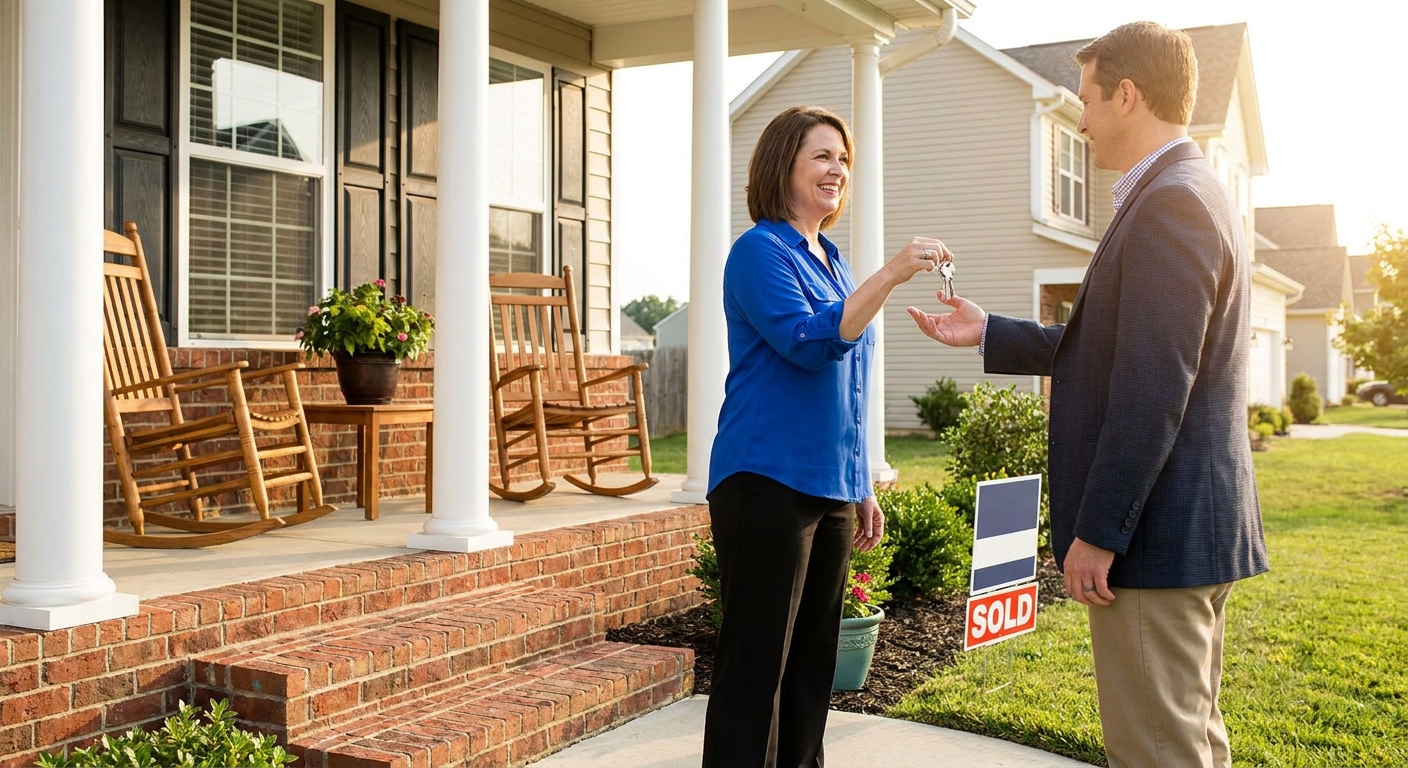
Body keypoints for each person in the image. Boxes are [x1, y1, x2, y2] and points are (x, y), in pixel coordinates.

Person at [906, 22, 1267, 768]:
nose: (1081, 117)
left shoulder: (1171, 204)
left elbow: (1153, 385)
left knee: (1157, 750)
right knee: (1191, 739)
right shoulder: (1188, 191)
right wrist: (988, 332)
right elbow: (1118, 350)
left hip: (1153, 542)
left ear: (1128, 96)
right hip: (1186, 533)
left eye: (1089, 100)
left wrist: (1099, 532)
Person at [703, 105, 949, 768]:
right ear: (783, 165)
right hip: (764, 481)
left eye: (843, 158)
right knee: (757, 669)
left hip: (829, 487)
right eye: (822, 155)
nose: (837, 169)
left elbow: (851, 391)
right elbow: (810, 345)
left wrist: (859, 481)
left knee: (813, 670)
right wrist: (894, 273)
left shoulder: (835, 262)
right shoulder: (758, 252)